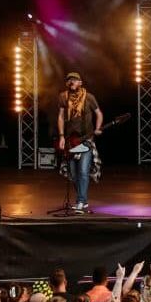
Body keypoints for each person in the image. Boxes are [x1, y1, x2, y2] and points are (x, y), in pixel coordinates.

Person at [57, 71, 103, 212]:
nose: (72, 82)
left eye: (75, 80)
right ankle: (82, 199)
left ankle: (81, 201)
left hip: (86, 140)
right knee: (73, 173)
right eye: (69, 80)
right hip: (71, 141)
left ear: (80, 83)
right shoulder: (63, 97)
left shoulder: (89, 97)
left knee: (83, 171)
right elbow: (60, 117)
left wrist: (98, 128)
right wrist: (61, 136)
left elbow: (99, 113)